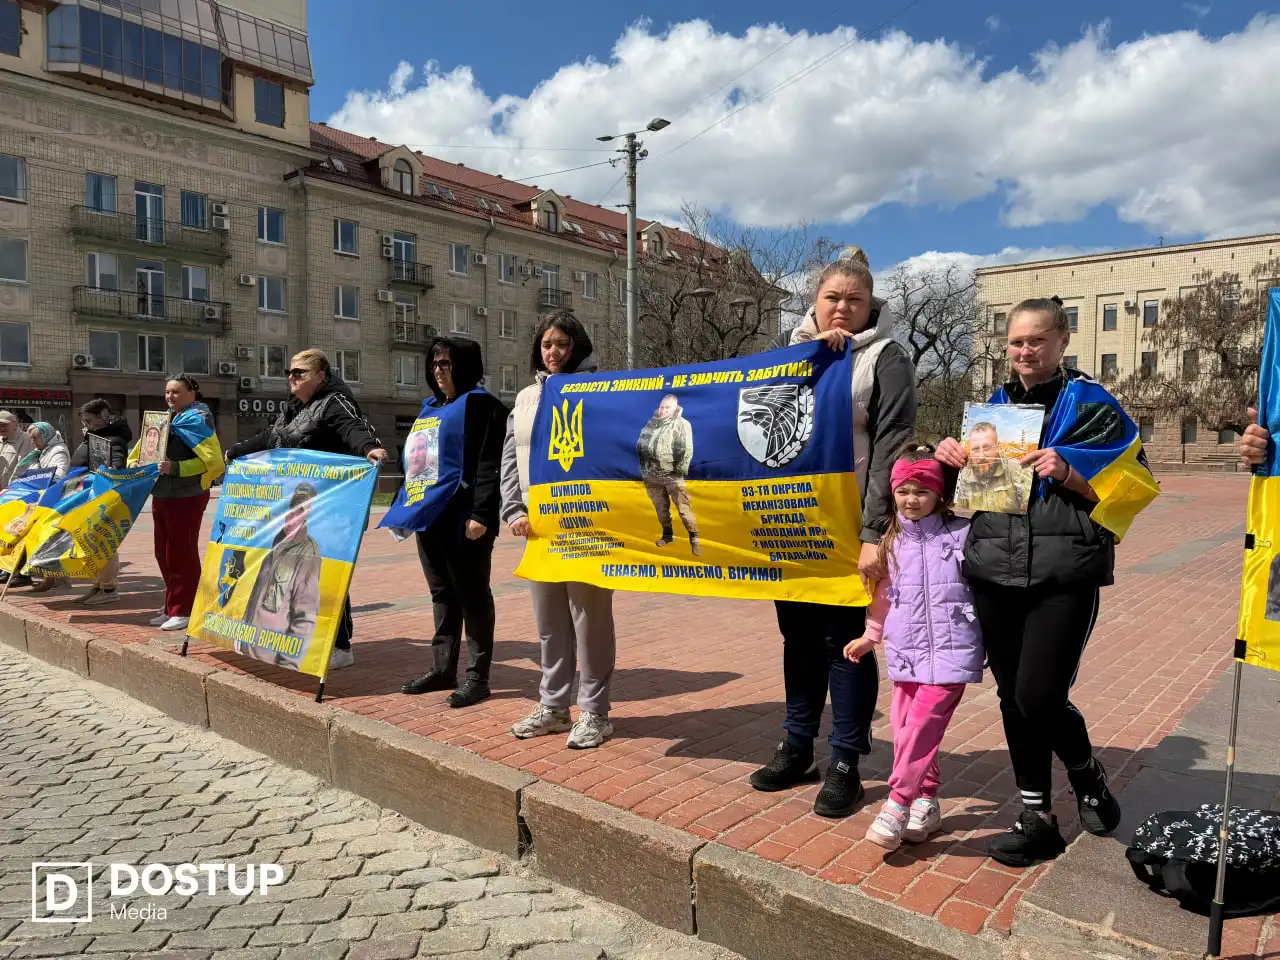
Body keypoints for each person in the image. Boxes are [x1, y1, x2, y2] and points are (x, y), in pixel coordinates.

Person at [935, 296, 1126, 868]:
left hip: (1062, 573)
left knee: (1037, 695)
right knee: (1013, 698)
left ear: (1063, 340)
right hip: (994, 569)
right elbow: (958, 501)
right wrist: (947, 461)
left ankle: (1086, 772)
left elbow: (1133, 488)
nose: (1025, 351)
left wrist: (1069, 472)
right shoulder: (990, 413)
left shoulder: (1094, 407)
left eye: (1037, 340)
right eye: (1016, 341)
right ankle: (1037, 817)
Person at [750, 249, 917, 819]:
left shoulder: (887, 359)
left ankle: (846, 758)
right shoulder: (788, 356)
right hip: (793, 527)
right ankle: (797, 746)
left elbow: (892, 446)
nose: (842, 308)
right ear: (814, 304)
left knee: (845, 644)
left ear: (871, 305)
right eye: (832, 298)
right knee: (797, 640)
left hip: (851, 529)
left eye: (854, 300)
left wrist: (876, 532)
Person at [842, 444, 984, 851]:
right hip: (906, 650)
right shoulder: (888, 541)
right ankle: (927, 799)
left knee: (922, 726)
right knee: (906, 730)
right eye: (903, 491)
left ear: (939, 494)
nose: (911, 499)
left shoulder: (962, 534)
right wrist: (871, 635)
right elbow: (882, 596)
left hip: (954, 649)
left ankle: (898, 802)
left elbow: (985, 590)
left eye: (921, 491)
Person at [228, 349, 388, 670]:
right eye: (289, 372)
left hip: (329, 506)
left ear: (321, 376)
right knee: (279, 569)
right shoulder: (292, 409)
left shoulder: (334, 402)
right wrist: (237, 452)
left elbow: (353, 427)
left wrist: (370, 448)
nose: (292, 377)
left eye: (299, 372)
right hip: (292, 505)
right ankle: (273, 634)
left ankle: (340, 645)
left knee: (328, 573)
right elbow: (271, 437)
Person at [501, 310, 618, 749]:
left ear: (578, 347)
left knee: (590, 621)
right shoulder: (526, 398)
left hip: (585, 524)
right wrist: (514, 510)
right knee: (549, 622)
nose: (553, 352)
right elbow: (511, 458)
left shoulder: (600, 392)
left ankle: (595, 712)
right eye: (547, 344)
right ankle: (553, 707)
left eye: (562, 344)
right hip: (539, 526)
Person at [401, 337, 509, 708]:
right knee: (442, 594)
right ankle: (442, 669)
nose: (438, 371)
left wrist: (481, 514)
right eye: (434, 366)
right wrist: (407, 505)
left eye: (445, 364)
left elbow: (489, 463)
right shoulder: (430, 408)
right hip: (429, 516)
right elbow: (419, 462)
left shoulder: (483, 406)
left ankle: (477, 678)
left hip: (466, 519)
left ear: (464, 366)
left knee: (473, 595)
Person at [130, 374, 225, 631]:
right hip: (161, 494)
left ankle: (186, 609)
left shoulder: (199, 420)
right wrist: (135, 464)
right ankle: (172, 606)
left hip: (187, 495)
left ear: (192, 393)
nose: (171, 396)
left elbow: (213, 461)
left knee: (181, 553)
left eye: (176, 392)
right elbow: (141, 450)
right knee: (163, 552)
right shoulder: (162, 420)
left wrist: (176, 467)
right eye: (167, 392)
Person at [238, 482, 322, 668]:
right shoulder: (277, 541)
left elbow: (305, 616)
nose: (294, 513)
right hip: (250, 649)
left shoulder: (308, 551)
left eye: (302, 509)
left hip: (272, 658)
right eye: (293, 507)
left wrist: (289, 663)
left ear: (309, 515)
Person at [69, 399, 133, 605]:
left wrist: (111, 469)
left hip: (101, 498)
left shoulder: (113, 440)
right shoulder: (93, 437)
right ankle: (98, 584)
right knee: (89, 543)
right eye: (84, 421)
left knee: (103, 544)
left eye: (89, 420)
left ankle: (108, 588)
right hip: (86, 496)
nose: (86, 425)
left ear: (103, 416)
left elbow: (116, 468)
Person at [637, 394, 700, 555]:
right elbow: (641, 445)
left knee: (683, 509)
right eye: (662, 406)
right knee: (660, 509)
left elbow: (686, 449)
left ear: (675, 408)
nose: (663, 410)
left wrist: (677, 471)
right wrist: (644, 468)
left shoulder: (682, 424)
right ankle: (667, 535)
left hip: (672, 474)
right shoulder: (651, 424)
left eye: (667, 407)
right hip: (652, 475)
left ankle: (694, 538)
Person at [953, 421, 1028, 513]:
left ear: (997, 446)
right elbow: (959, 512)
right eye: (975, 449)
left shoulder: (1016, 469)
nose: (981, 457)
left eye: (987, 448)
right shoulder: (963, 475)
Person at [0, 410, 32, 487]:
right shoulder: (1, 438)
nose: (1, 428)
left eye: (5, 424)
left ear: (15, 424)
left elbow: (23, 468)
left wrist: (11, 489)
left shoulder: (26, 439)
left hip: (12, 491)